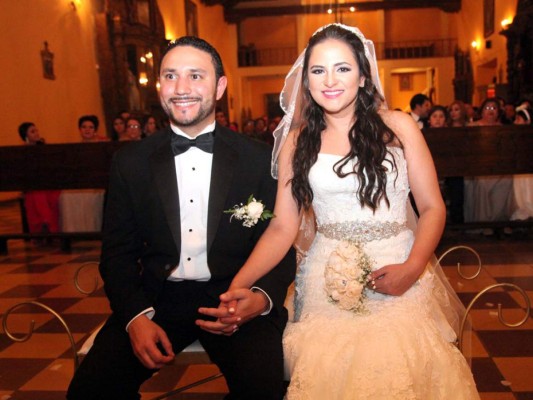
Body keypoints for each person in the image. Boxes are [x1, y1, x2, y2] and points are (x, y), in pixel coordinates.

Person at [213, 24, 478, 399]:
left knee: (394, 361)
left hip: (400, 267)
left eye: (343, 68)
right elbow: (282, 227)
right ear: (306, 81)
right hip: (327, 275)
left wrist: (413, 267)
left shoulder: (399, 126)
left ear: (364, 76)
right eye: (318, 71)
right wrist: (239, 284)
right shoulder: (296, 141)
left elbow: (433, 207)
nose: (330, 80)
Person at [67, 36, 295, 400]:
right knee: (91, 391)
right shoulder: (130, 163)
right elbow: (117, 253)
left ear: (220, 86)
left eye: (195, 76)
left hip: (234, 297)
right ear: (159, 85)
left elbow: (280, 241)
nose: (181, 88)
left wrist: (260, 297)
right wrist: (136, 317)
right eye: (170, 76)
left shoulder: (259, 160)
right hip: (157, 299)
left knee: (264, 392)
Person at [17, 122, 60, 238]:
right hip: (32, 186)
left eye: (37, 131)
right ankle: (44, 226)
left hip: (47, 184)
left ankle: (53, 229)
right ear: (25, 135)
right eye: (32, 131)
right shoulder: (20, 152)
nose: (36, 133)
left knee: (56, 195)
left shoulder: (43, 147)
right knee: (37, 195)